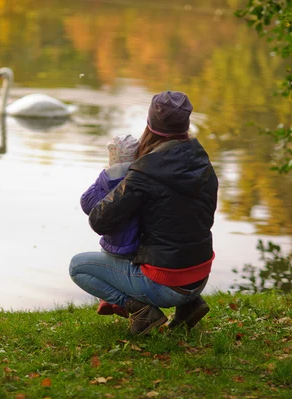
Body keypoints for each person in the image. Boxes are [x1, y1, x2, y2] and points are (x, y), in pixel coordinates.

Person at [69, 91, 218, 335]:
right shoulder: (203, 162)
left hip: (165, 283)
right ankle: (189, 306)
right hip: (200, 277)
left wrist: (114, 170)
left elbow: (99, 219)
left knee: (78, 267)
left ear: (150, 125)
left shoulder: (144, 173)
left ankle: (142, 312)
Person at [80, 134, 140, 319]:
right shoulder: (140, 181)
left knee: (106, 267)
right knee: (123, 272)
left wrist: (101, 181)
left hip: (111, 245)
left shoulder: (104, 182)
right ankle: (118, 302)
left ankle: (108, 300)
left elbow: (86, 203)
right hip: (136, 246)